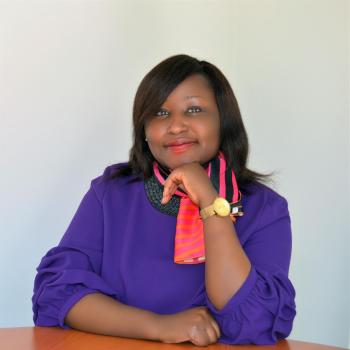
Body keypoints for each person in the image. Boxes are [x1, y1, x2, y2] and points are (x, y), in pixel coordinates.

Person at [32, 54, 296, 346]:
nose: (176, 126)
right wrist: (158, 326)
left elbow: (254, 320)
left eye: (194, 109)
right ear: (144, 130)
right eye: (160, 113)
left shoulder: (265, 209)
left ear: (224, 121)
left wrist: (210, 202)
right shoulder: (110, 194)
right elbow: (58, 294)